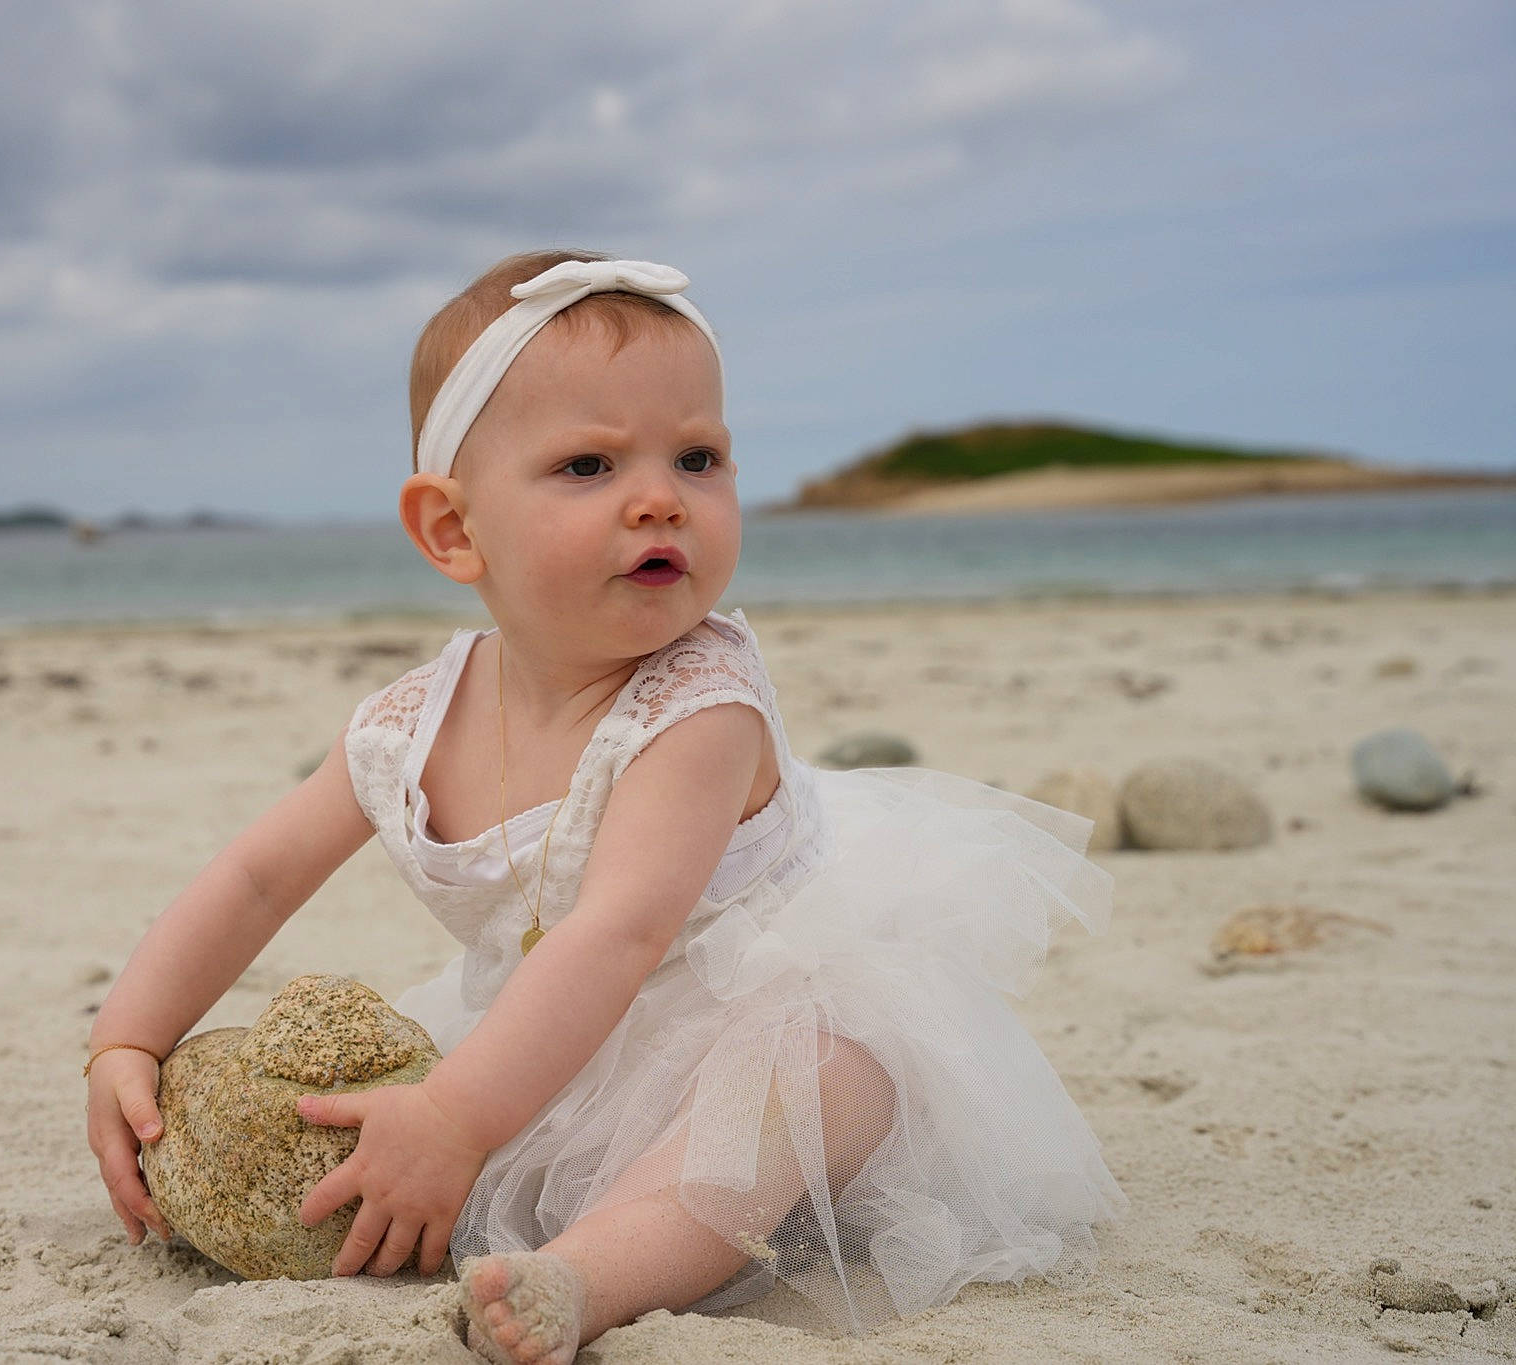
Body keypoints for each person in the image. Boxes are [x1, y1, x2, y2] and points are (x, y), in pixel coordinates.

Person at [85, 250, 1125, 1364]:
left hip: (761, 991)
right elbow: (256, 876)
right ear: (452, 531)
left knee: (821, 1080)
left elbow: (618, 931)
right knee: (451, 1093)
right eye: (588, 464)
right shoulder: (409, 725)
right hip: (556, 1027)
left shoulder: (700, 706)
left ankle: (586, 1279)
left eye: (697, 458)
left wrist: (457, 1117)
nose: (659, 496)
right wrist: (127, 1035)